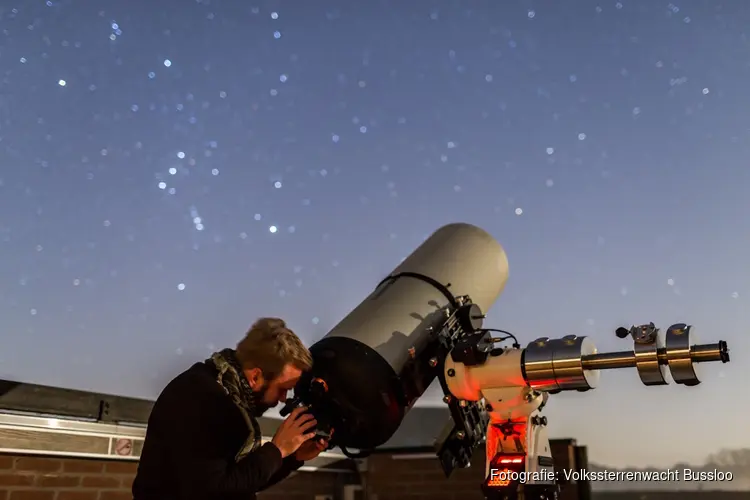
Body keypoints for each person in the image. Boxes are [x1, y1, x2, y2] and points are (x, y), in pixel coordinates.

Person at [132, 317, 329, 500]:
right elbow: (214, 490)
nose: (283, 399)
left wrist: (292, 457)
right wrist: (277, 449)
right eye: (282, 389)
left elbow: (241, 481)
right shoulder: (204, 398)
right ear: (255, 377)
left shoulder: (224, 394)